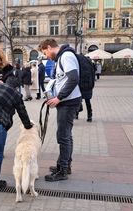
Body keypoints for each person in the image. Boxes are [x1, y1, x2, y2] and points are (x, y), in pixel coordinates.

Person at [39, 39, 81, 181]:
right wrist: (53, 95)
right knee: (66, 135)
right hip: (66, 101)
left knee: (63, 136)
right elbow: (61, 80)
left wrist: (59, 98)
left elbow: (73, 79)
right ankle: (65, 165)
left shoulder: (66, 56)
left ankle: (62, 170)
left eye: (45, 52)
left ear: (49, 47)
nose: (46, 56)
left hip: (68, 102)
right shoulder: (62, 57)